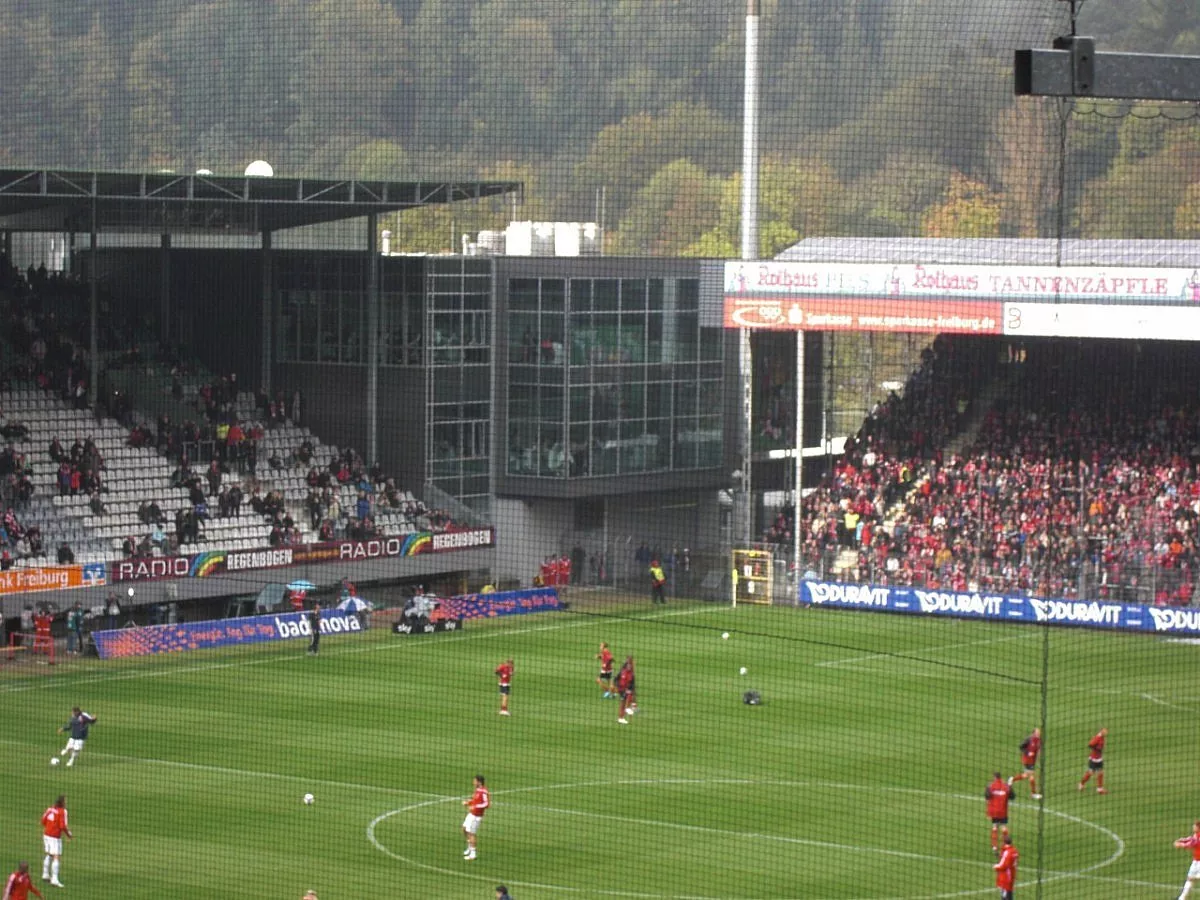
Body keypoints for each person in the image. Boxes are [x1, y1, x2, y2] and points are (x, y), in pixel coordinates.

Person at [40, 796, 71, 888]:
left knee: (49, 854)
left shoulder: (50, 809)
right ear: (63, 803)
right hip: (54, 837)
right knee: (56, 856)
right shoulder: (63, 812)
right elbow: (62, 826)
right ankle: (54, 879)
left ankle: (45, 874)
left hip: (46, 835)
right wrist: (69, 835)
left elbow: (43, 821)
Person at [461, 774, 490, 861]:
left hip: (476, 816)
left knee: (471, 833)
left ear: (479, 782)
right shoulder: (477, 790)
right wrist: (468, 802)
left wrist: (475, 806)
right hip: (471, 814)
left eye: (475, 781)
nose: (473, 782)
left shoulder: (484, 792)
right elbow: (475, 800)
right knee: (464, 829)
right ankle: (470, 847)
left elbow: (486, 804)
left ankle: (473, 854)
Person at [986, 771, 1014, 855]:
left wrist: (987, 789)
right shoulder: (1006, 786)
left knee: (995, 827)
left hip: (994, 811)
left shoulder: (991, 786)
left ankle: (994, 847)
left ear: (994, 777)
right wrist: (1010, 786)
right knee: (1003, 828)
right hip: (1003, 812)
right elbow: (1012, 797)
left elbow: (987, 796)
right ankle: (1005, 846)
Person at [1010, 727, 1042, 800]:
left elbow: (1039, 751)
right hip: (1027, 760)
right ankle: (1033, 794)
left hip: (1032, 761)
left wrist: (1038, 760)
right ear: (1033, 733)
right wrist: (1027, 753)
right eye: (1037, 733)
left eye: (1039, 733)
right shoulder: (1029, 739)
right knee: (1031, 777)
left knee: (1025, 775)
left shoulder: (1039, 741)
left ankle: (1012, 779)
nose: (1038, 734)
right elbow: (1021, 746)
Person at [1174, 820, 1200, 899]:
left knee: (1191, 878)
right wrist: (1181, 840)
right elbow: (1190, 839)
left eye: (1195, 826)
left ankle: (1197, 877)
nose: (1193, 827)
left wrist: (1180, 844)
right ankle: (1182, 898)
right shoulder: (1196, 835)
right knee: (1189, 880)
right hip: (1195, 862)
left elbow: (1193, 844)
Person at [1077, 727, 1108, 794]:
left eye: (1106, 731)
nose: (1106, 732)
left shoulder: (1102, 737)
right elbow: (1090, 745)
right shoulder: (1098, 737)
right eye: (1105, 731)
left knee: (1100, 773)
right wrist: (1097, 749)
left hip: (1099, 759)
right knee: (1090, 773)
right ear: (1101, 731)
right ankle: (1081, 784)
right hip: (1093, 759)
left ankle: (1100, 789)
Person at [993, 834, 1017, 899]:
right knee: (1009, 894)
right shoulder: (1014, 851)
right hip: (1012, 875)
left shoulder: (1007, 852)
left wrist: (996, 866)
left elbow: (1003, 865)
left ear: (1004, 842)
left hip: (1005, 877)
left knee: (1005, 896)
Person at [616, 655, 636, 725]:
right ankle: (621, 718)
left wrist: (630, 689)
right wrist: (618, 687)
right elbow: (616, 679)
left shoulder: (630, 672)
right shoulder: (624, 670)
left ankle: (623, 715)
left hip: (626, 689)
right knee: (623, 704)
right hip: (622, 689)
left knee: (626, 701)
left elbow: (632, 683)